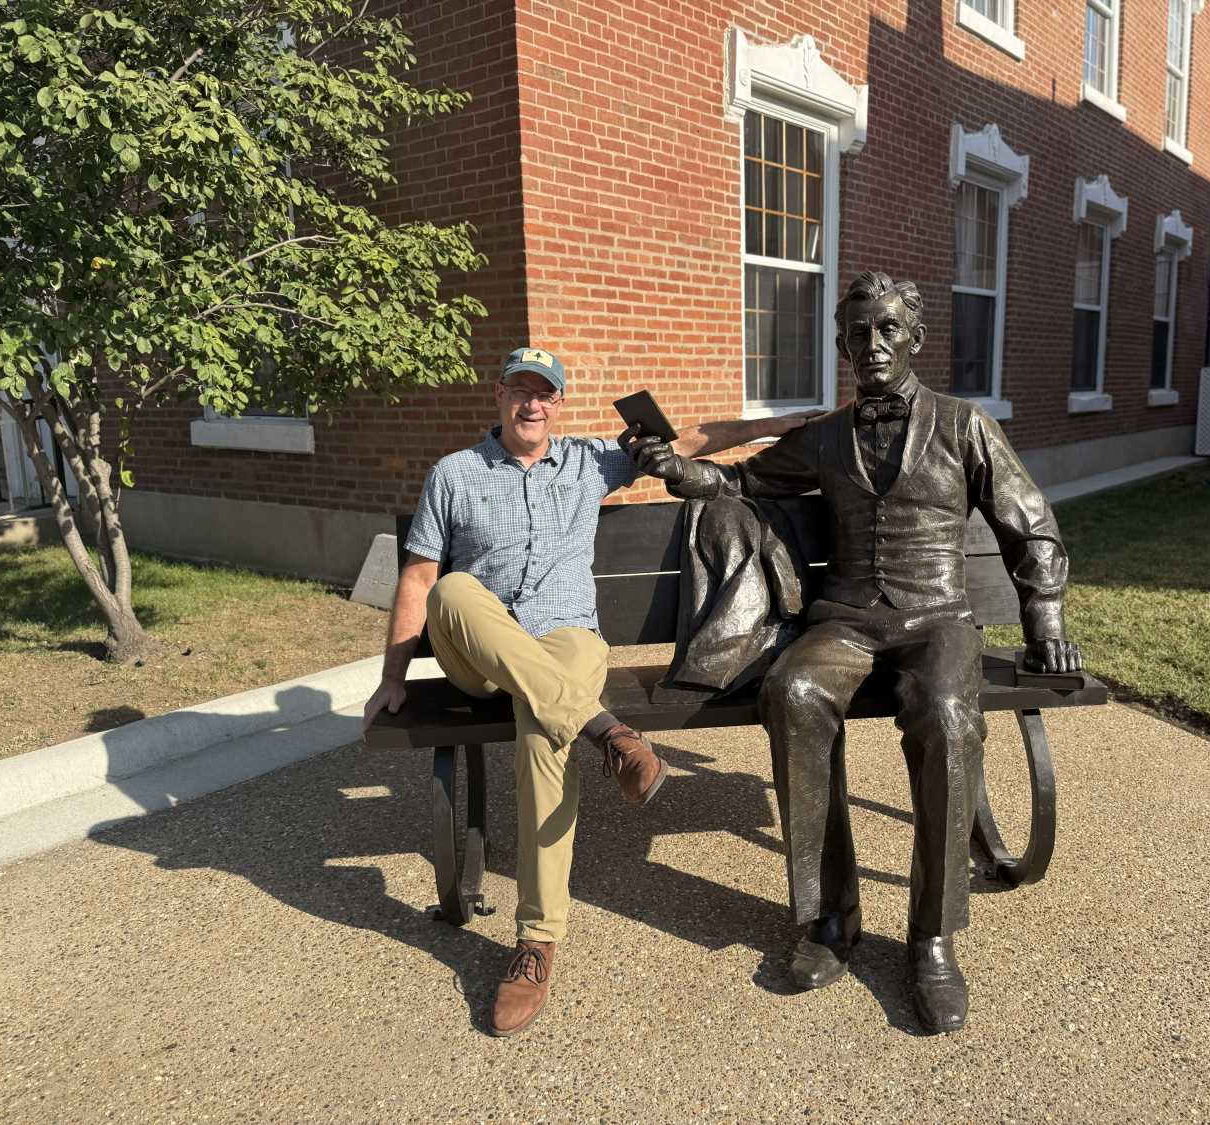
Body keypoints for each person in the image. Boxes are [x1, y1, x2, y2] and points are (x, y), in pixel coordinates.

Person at [626, 272, 1082, 1034]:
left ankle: (931, 936)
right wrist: (674, 468)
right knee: (793, 692)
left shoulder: (965, 425)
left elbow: (1030, 523)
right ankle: (830, 918)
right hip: (843, 621)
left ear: (915, 339)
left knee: (944, 711)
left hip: (937, 620)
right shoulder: (829, 437)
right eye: (858, 334)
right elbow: (739, 478)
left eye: (887, 331)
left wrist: (1045, 621)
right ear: (842, 345)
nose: (872, 346)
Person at [361, 345, 810, 1038]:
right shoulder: (453, 474)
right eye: (519, 389)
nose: (531, 403)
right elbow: (420, 580)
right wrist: (393, 677)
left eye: (544, 392)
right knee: (455, 587)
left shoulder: (588, 460)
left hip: (566, 639)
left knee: (544, 724)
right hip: (477, 649)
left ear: (558, 403)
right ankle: (612, 733)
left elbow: (695, 437)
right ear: (500, 396)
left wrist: (806, 419)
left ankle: (536, 940)